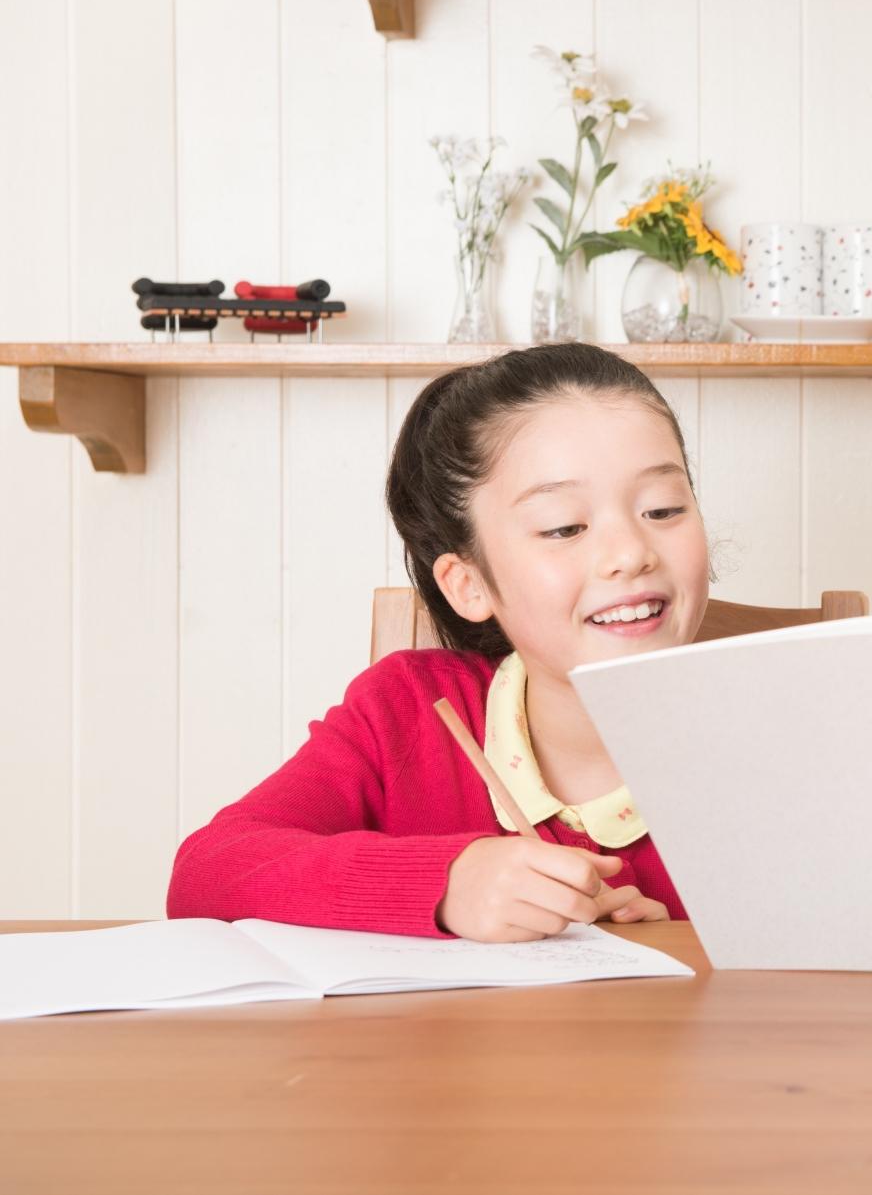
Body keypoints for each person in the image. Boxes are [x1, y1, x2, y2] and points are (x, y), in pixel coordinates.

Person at [169, 343, 709, 942]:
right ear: (470, 583)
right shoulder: (406, 712)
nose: (632, 553)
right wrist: (448, 882)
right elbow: (207, 872)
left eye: (663, 509)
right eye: (565, 527)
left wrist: (681, 944)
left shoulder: (787, 722)